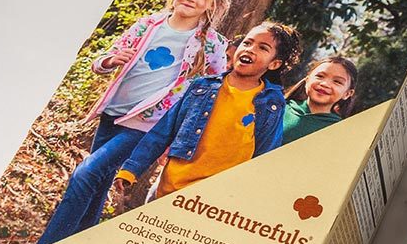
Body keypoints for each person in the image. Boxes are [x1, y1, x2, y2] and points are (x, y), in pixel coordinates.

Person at [36, 0, 234, 244]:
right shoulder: (148, 24)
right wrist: (110, 61)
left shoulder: (211, 44)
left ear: (213, 5)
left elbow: (212, 92)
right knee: (98, 183)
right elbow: (103, 59)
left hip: (147, 124)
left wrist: (178, 137)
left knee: (86, 174)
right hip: (113, 112)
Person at [112, 22, 302, 200]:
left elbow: (265, 153)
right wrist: (132, 169)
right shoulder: (202, 87)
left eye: (263, 48)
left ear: (274, 64)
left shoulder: (271, 105)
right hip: (170, 188)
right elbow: (163, 131)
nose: (250, 49)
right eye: (248, 42)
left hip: (214, 200)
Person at [281, 56, 360, 145]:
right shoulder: (279, 108)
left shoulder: (339, 130)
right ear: (307, 80)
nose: (325, 84)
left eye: (337, 82)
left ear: (347, 94)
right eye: (320, 76)